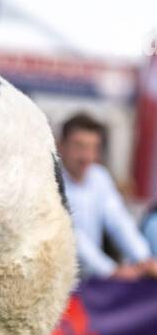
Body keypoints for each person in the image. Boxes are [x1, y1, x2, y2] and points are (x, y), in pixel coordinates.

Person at [57, 113, 157, 281]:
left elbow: (119, 221)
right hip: (58, 280)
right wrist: (110, 271)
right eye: (79, 146)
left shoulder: (99, 176)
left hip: (90, 280)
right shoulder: (50, 180)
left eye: (93, 148)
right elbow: (71, 235)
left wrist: (145, 260)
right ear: (61, 146)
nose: (86, 156)